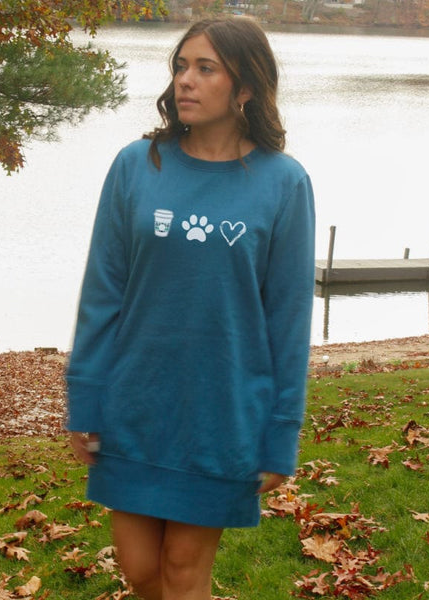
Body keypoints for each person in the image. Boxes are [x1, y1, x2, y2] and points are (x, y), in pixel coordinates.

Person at [66, 16, 315, 600]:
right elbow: (103, 292)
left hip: (222, 414)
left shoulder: (283, 183)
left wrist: (281, 432)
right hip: (136, 403)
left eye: (206, 69)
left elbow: (288, 320)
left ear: (245, 87)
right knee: (139, 569)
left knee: (182, 570)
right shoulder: (136, 165)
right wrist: (86, 397)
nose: (185, 80)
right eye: (181, 66)